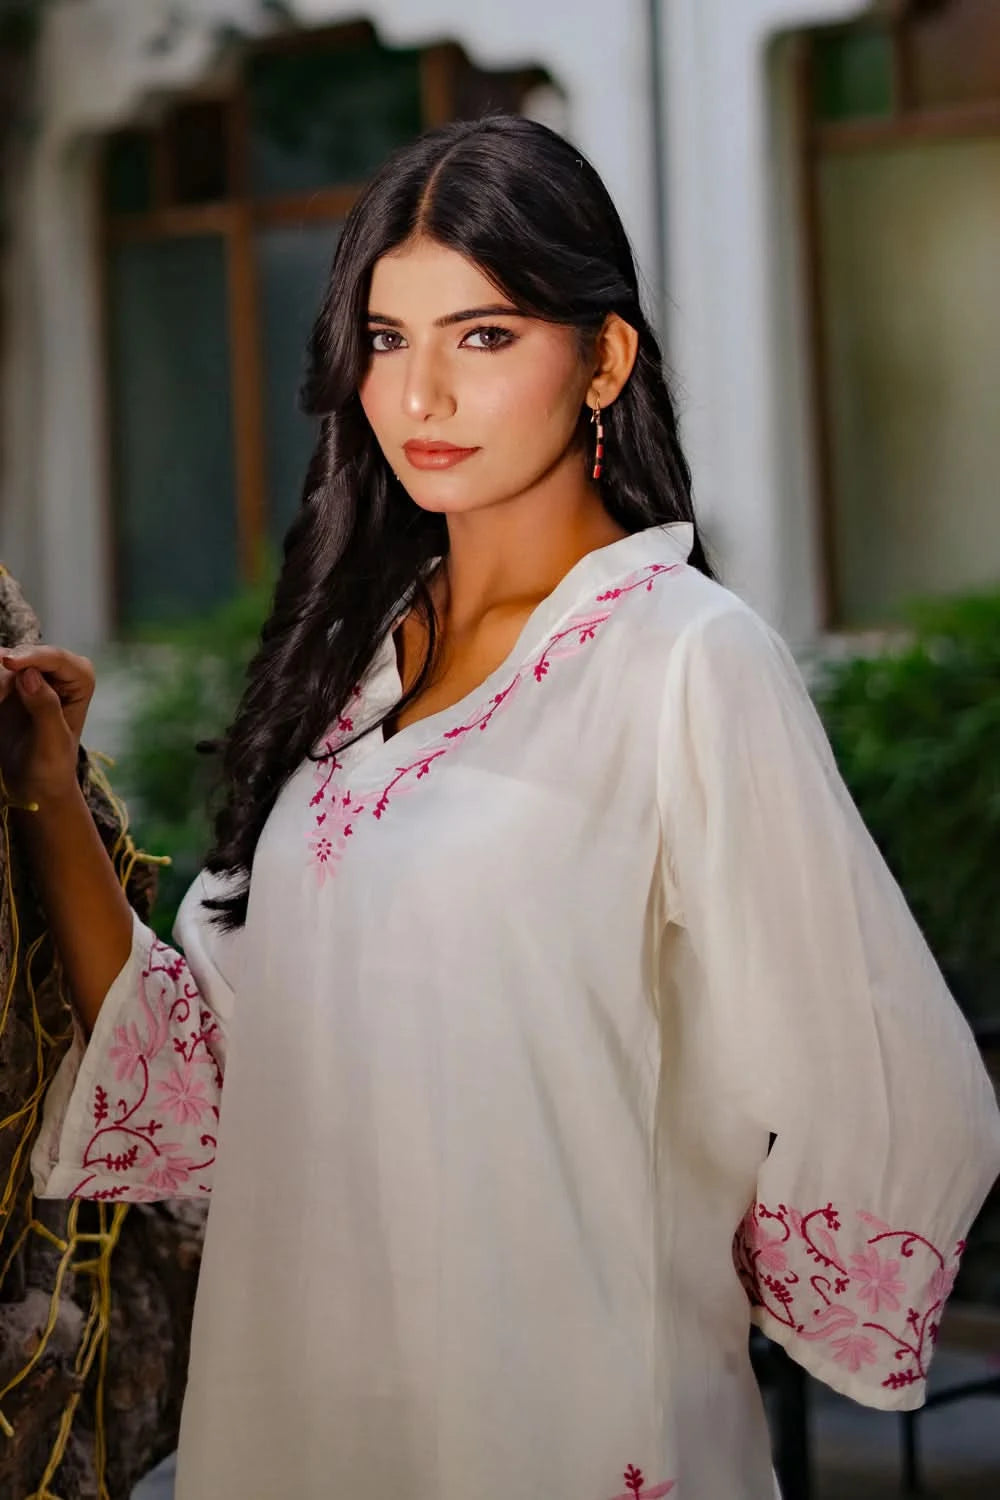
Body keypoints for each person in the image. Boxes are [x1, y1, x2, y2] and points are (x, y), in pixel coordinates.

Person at [2, 115, 998, 1500]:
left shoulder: (685, 662)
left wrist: (651, 1251)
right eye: (385, 338)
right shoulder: (349, 671)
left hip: (565, 1425)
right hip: (298, 1417)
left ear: (604, 358)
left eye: (482, 337)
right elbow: (217, 1086)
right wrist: (50, 797)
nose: (419, 396)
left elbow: (887, 1073)